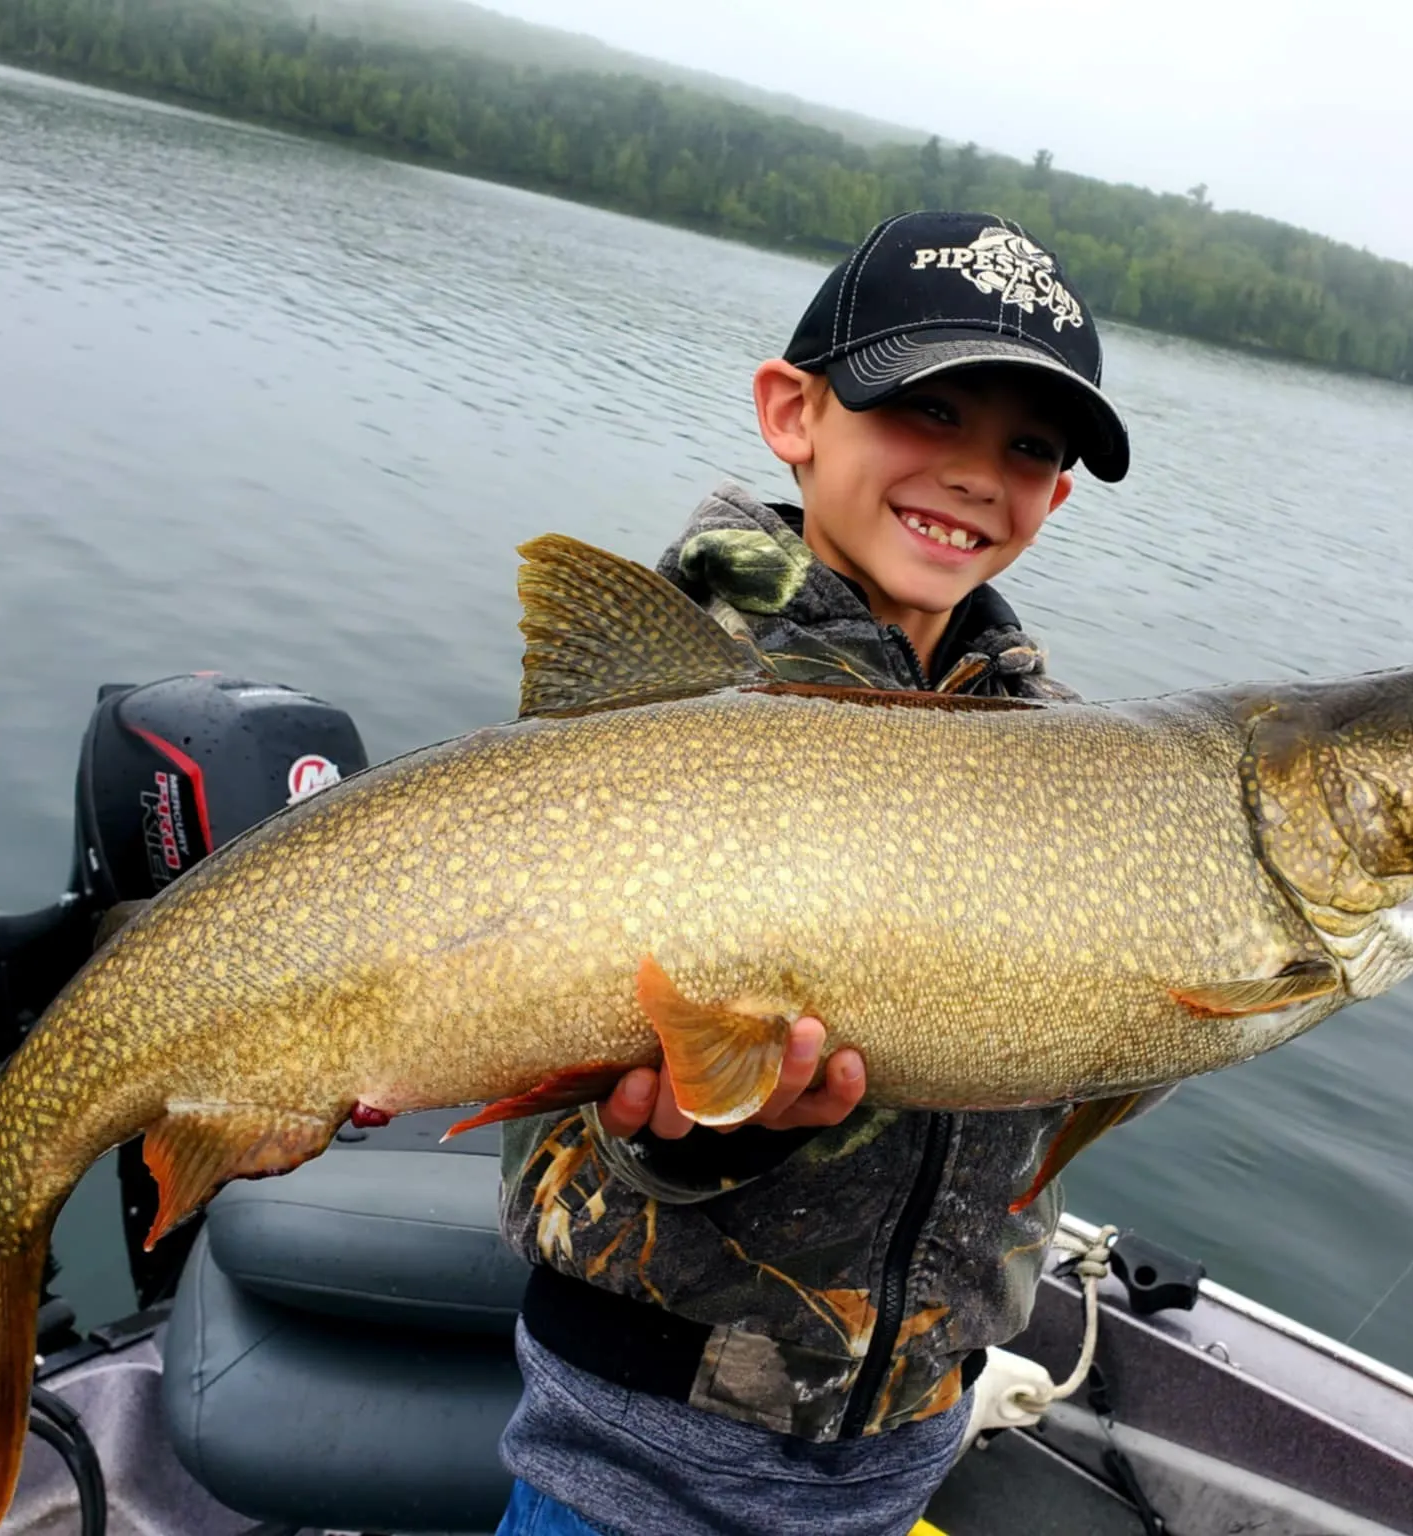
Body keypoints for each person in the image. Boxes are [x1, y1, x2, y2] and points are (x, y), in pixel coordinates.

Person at [493, 210, 1142, 1536]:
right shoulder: (661, 692)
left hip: (904, 1444)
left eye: (1029, 447)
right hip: (635, 1459)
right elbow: (545, 1148)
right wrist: (688, 1142)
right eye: (930, 410)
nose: (977, 473)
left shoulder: (1067, 760)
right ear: (793, 411)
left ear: (1058, 499)